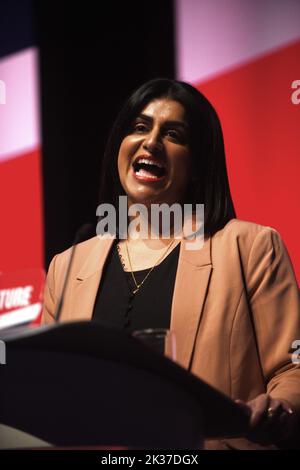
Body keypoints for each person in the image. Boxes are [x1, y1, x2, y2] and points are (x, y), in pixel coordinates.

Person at [42, 78, 300, 450]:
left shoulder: (250, 248)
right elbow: (49, 387)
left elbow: (293, 365)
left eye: (174, 134)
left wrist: (281, 408)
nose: (151, 142)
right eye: (140, 127)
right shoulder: (66, 268)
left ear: (196, 165)